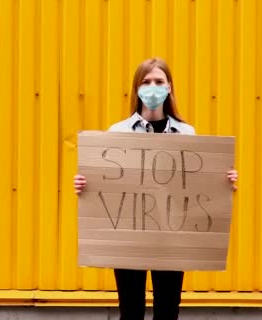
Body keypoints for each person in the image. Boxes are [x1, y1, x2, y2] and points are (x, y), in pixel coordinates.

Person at [74, 58, 238, 320]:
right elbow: (107, 182)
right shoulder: (118, 132)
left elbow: (196, 182)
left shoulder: (186, 133)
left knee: (167, 310)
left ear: (169, 87)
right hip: (129, 234)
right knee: (130, 310)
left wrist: (222, 180)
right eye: (146, 82)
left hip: (172, 235)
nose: (153, 87)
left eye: (159, 82)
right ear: (136, 88)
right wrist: (86, 184)